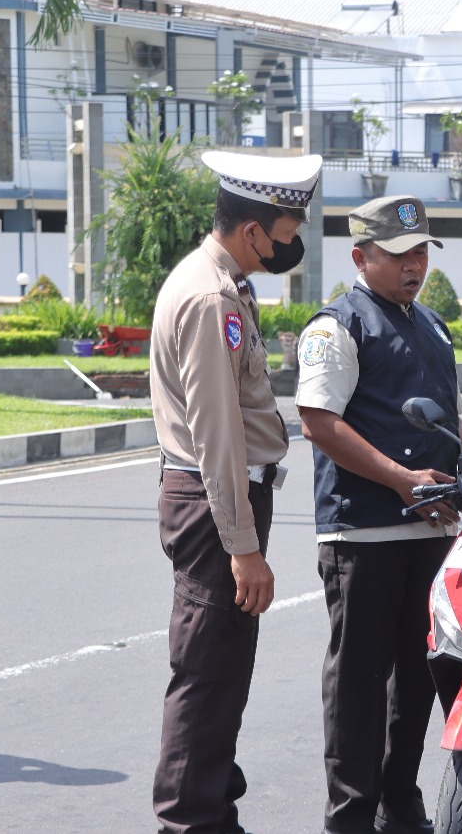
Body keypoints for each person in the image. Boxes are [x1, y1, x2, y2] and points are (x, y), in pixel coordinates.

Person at [150, 150, 321, 834]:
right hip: (216, 503)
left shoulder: (224, 284)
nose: (291, 243)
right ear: (254, 230)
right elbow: (218, 435)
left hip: (217, 498)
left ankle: (212, 809)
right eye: (287, 228)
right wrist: (244, 547)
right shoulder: (210, 296)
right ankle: (190, 820)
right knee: (207, 673)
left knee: (222, 672)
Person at [295, 195, 462, 834]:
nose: (414, 265)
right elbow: (319, 422)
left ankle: (400, 803)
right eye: (399, 254)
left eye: (422, 252)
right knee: (359, 683)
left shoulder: (430, 323)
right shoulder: (337, 326)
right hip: (364, 532)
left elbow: (446, 413)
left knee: (420, 676)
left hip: (432, 531)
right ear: (360, 257)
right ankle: (350, 815)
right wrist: (402, 480)